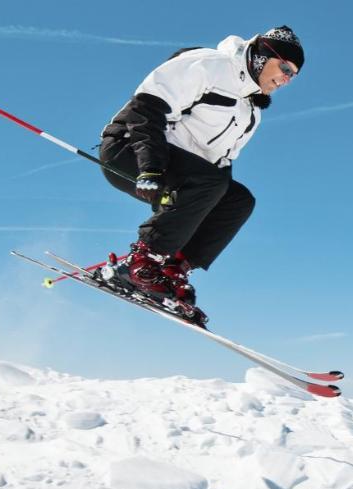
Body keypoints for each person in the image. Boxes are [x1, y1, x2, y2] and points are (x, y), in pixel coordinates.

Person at [96, 25, 304, 326]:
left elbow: (219, 166)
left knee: (238, 200)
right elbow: (147, 108)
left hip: (183, 171)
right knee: (212, 183)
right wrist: (150, 167)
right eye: (285, 67)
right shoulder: (209, 65)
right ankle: (142, 263)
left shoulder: (251, 112)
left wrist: (195, 213)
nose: (286, 79)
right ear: (262, 56)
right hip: (130, 150)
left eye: (293, 75)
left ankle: (171, 268)